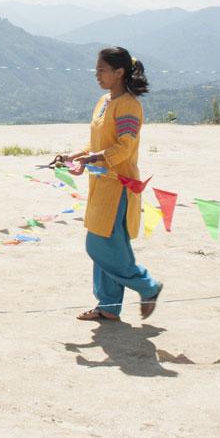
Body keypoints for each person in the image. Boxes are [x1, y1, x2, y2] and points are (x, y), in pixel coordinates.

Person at [55, 46, 162, 322]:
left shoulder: (129, 105)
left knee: (99, 244)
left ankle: (147, 285)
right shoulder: (104, 101)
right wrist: (75, 156)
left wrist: (93, 158)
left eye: (102, 70)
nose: (97, 75)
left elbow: (124, 148)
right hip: (101, 184)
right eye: (96, 70)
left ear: (119, 72)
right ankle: (108, 306)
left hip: (119, 187)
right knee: (111, 245)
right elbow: (97, 142)